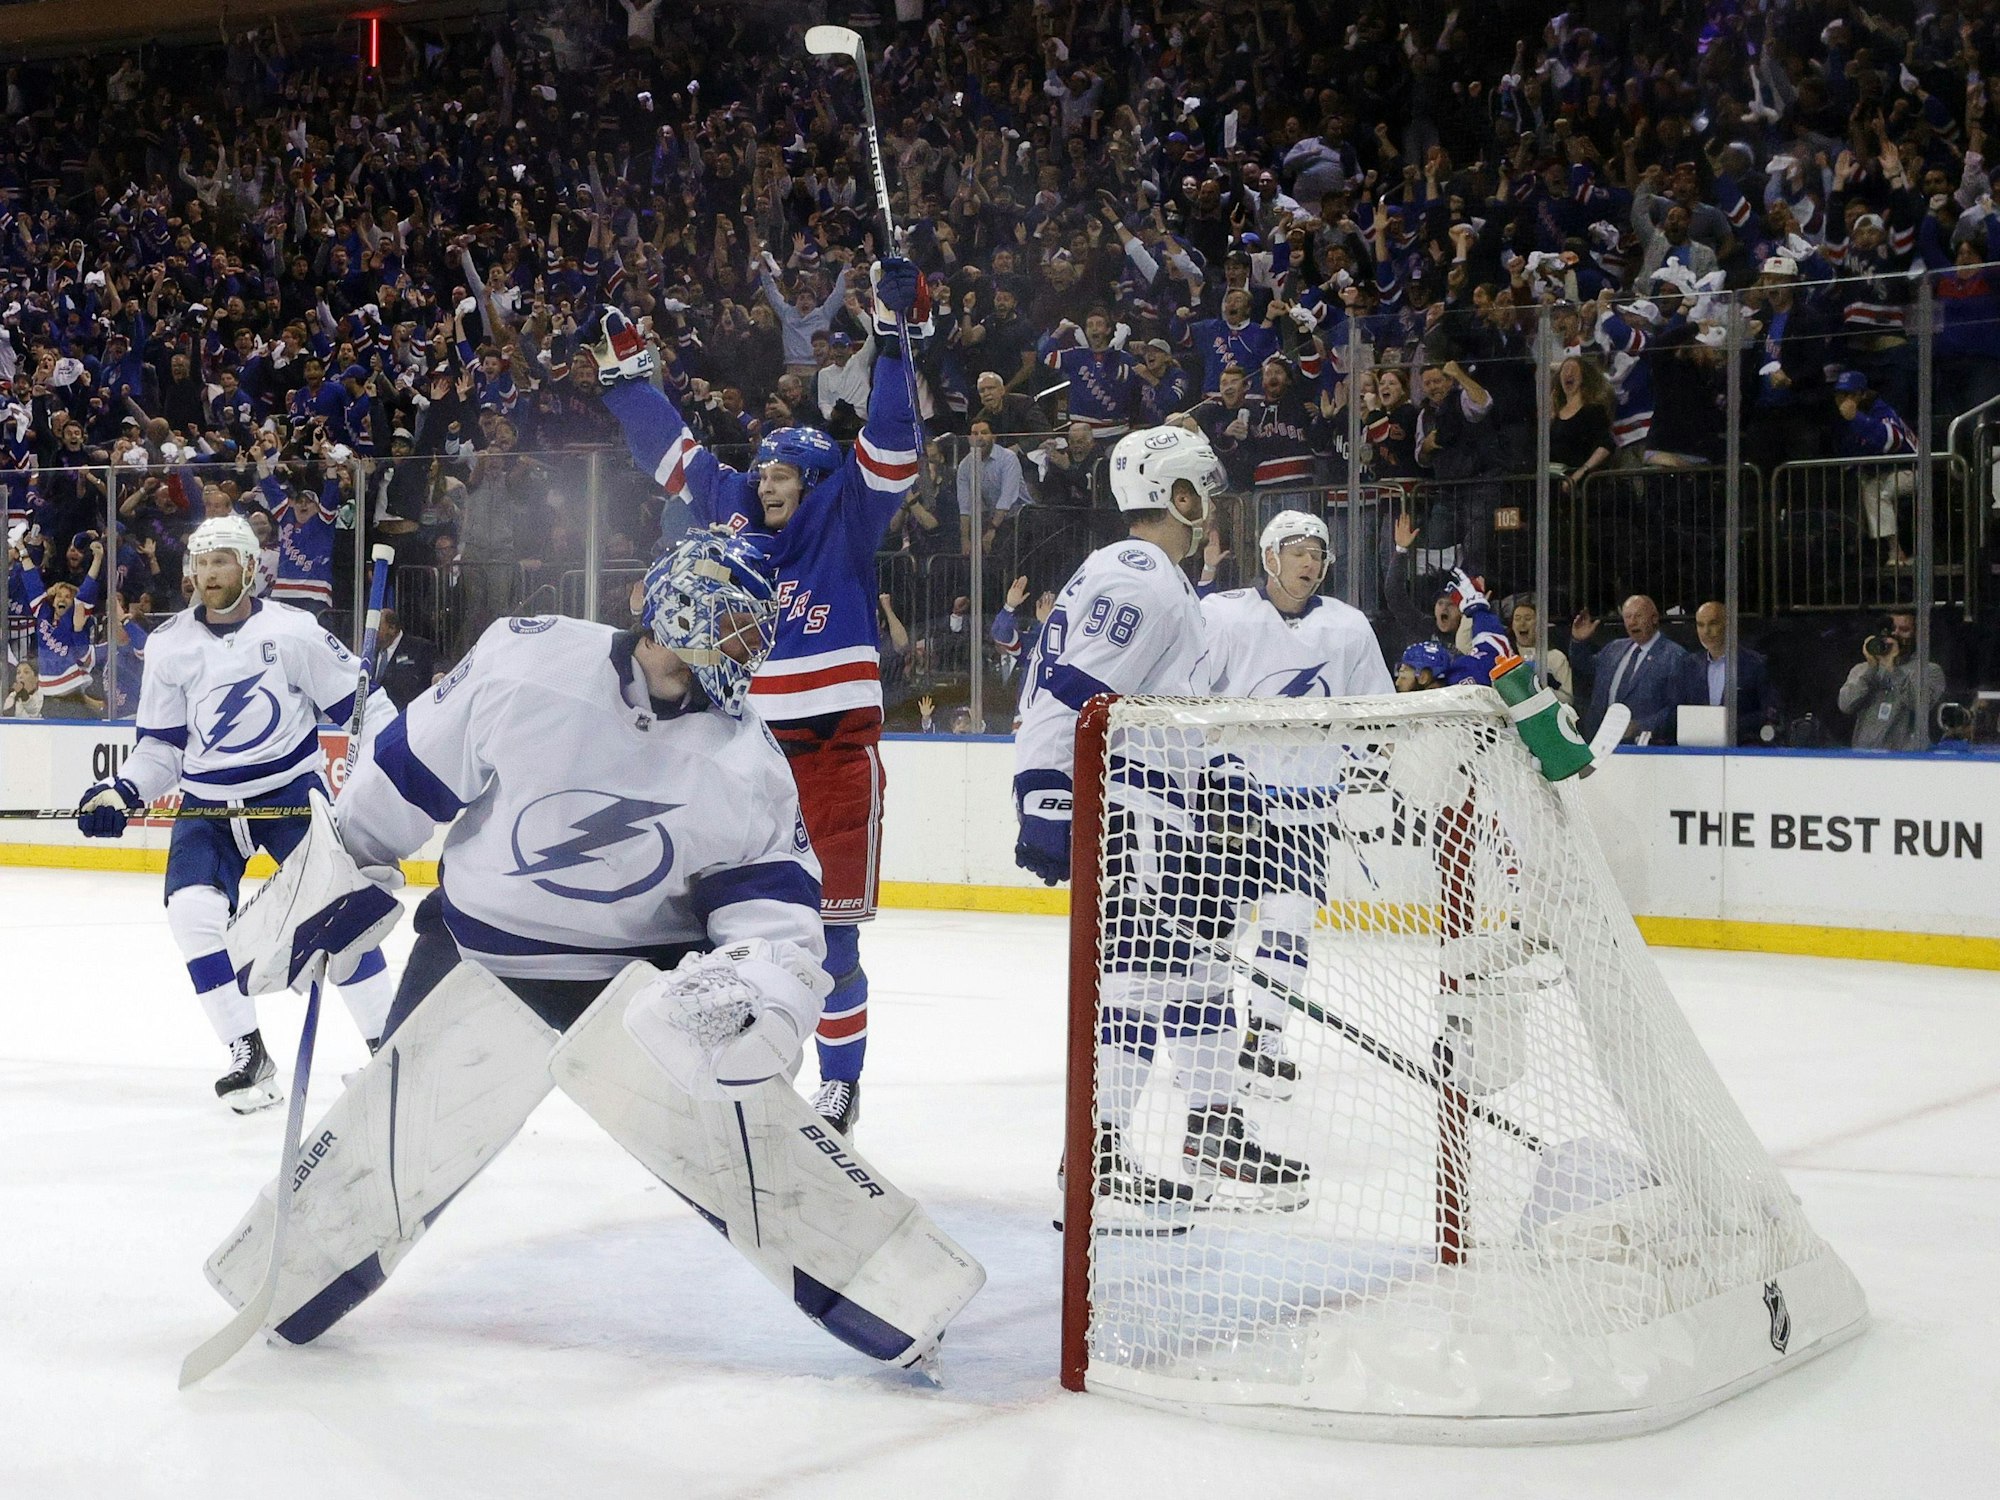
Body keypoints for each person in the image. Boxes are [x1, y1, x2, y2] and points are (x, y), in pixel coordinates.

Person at [583, 256, 927, 1137]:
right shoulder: (732, 507)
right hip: (742, 759)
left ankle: (840, 1084)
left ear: (812, 482)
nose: (764, 481)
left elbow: (892, 437)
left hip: (832, 759)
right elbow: (675, 453)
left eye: (782, 473)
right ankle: (735, 1069)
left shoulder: (846, 513)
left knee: (834, 939)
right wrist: (628, 379)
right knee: (724, 933)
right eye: (762, 472)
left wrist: (895, 337)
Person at [1015, 423, 1308, 1213]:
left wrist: (1226, 782)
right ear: (1176, 494)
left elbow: (1164, 704)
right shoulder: (1139, 568)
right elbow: (1071, 688)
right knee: (1143, 984)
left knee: (1202, 972)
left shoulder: (1169, 582)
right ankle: (1097, 1155)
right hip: (1133, 802)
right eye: (1201, 486)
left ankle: (1212, 1128)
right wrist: (1043, 790)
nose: (1210, 501)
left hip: (1168, 803)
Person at [71, 513, 396, 1110]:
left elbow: (370, 708)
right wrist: (123, 792)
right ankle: (248, 1053)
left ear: (250, 568)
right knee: (192, 913)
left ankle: (392, 1050)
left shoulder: (295, 633)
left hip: (288, 795)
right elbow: (162, 747)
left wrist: (372, 778)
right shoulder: (170, 644)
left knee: (340, 918)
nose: (208, 573)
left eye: (222, 560)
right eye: (200, 561)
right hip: (207, 804)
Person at [1194, 509, 1393, 1095]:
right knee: (1217, 932)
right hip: (1229, 805)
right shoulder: (1223, 615)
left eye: (1319, 552)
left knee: (1291, 923)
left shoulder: (1349, 626)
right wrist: (1212, 772)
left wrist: (1363, 763)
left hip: (1305, 809)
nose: (1310, 561)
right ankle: (1207, 1043)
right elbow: (1187, 698)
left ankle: (1266, 1037)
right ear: (1269, 556)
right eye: (1298, 550)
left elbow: (1375, 710)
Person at [1570, 594, 1687, 744]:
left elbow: (1676, 709)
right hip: (1601, 742)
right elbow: (1585, 668)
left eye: (1638, 616)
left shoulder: (1674, 656)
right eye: (1627, 616)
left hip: (1645, 747)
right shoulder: (1614, 648)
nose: (1632, 622)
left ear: (1654, 618)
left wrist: (1640, 726)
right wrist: (1578, 641)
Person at [1837, 611, 1946, 751]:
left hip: (1906, 759)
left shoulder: (1929, 670)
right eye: (1891, 630)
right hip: (1864, 757)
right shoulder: (1863, 669)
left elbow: (1920, 705)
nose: (1895, 634)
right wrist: (1871, 669)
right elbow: (1846, 705)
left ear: (1917, 634)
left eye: (1904, 630)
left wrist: (1892, 668)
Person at [1675, 601, 1779, 744]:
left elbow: (1770, 711)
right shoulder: (1689, 665)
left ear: (1728, 625)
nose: (1706, 631)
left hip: (1742, 748)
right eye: (1700, 625)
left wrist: (1727, 725)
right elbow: (1678, 709)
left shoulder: (1755, 664)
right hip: (1697, 748)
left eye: (1712, 623)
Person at [371, 607, 438, 711]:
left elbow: (438, 666)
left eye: (377, 628)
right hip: (377, 718)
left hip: (408, 717)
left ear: (392, 628)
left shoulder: (419, 648)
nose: (372, 633)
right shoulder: (369, 654)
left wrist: (439, 674)